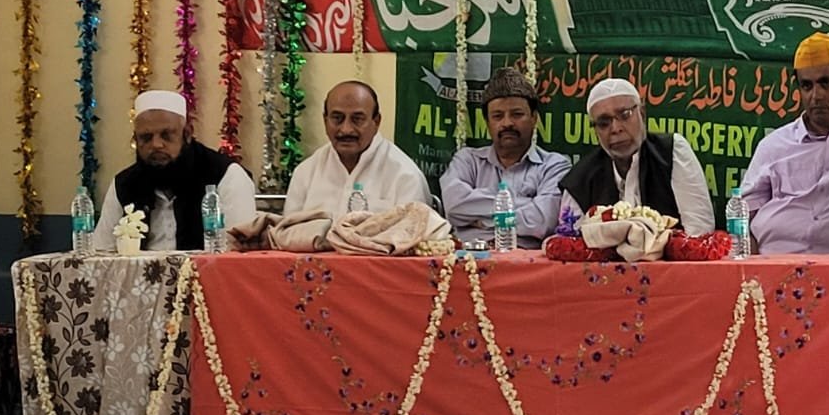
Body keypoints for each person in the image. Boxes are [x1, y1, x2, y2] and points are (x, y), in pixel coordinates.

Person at [741, 33, 829, 254]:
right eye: (807, 86)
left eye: (825, 83)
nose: (816, 96)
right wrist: (752, 268)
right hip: (773, 264)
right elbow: (743, 219)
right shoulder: (773, 146)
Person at [94, 90, 255, 250]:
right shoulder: (124, 184)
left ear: (187, 134)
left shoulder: (226, 176)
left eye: (166, 135)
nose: (156, 144)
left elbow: (240, 254)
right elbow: (101, 252)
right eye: (146, 137)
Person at [558, 78, 715, 234]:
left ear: (642, 113)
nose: (616, 129)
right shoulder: (580, 180)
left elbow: (700, 230)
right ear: (595, 131)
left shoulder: (671, 152)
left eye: (625, 115)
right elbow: (570, 239)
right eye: (604, 123)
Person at [440, 67, 571, 248]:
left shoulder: (554, 166)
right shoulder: (467, 160)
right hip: (469, 257)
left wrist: (480, 219)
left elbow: (542, 221)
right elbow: (454, 207)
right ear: (487, 122)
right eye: (498, 116)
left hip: (526, 260)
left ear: (534, 118)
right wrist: (525, 205)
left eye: (517, 114)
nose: (507, 123)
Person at [284, 81, 432, 216]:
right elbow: (287, 232)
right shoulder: (306, 172)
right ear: (325, 120)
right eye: (337, 118)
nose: (346, 129)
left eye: (357, 119)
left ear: (376, 121)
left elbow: (411, 234)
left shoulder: (405, 177)